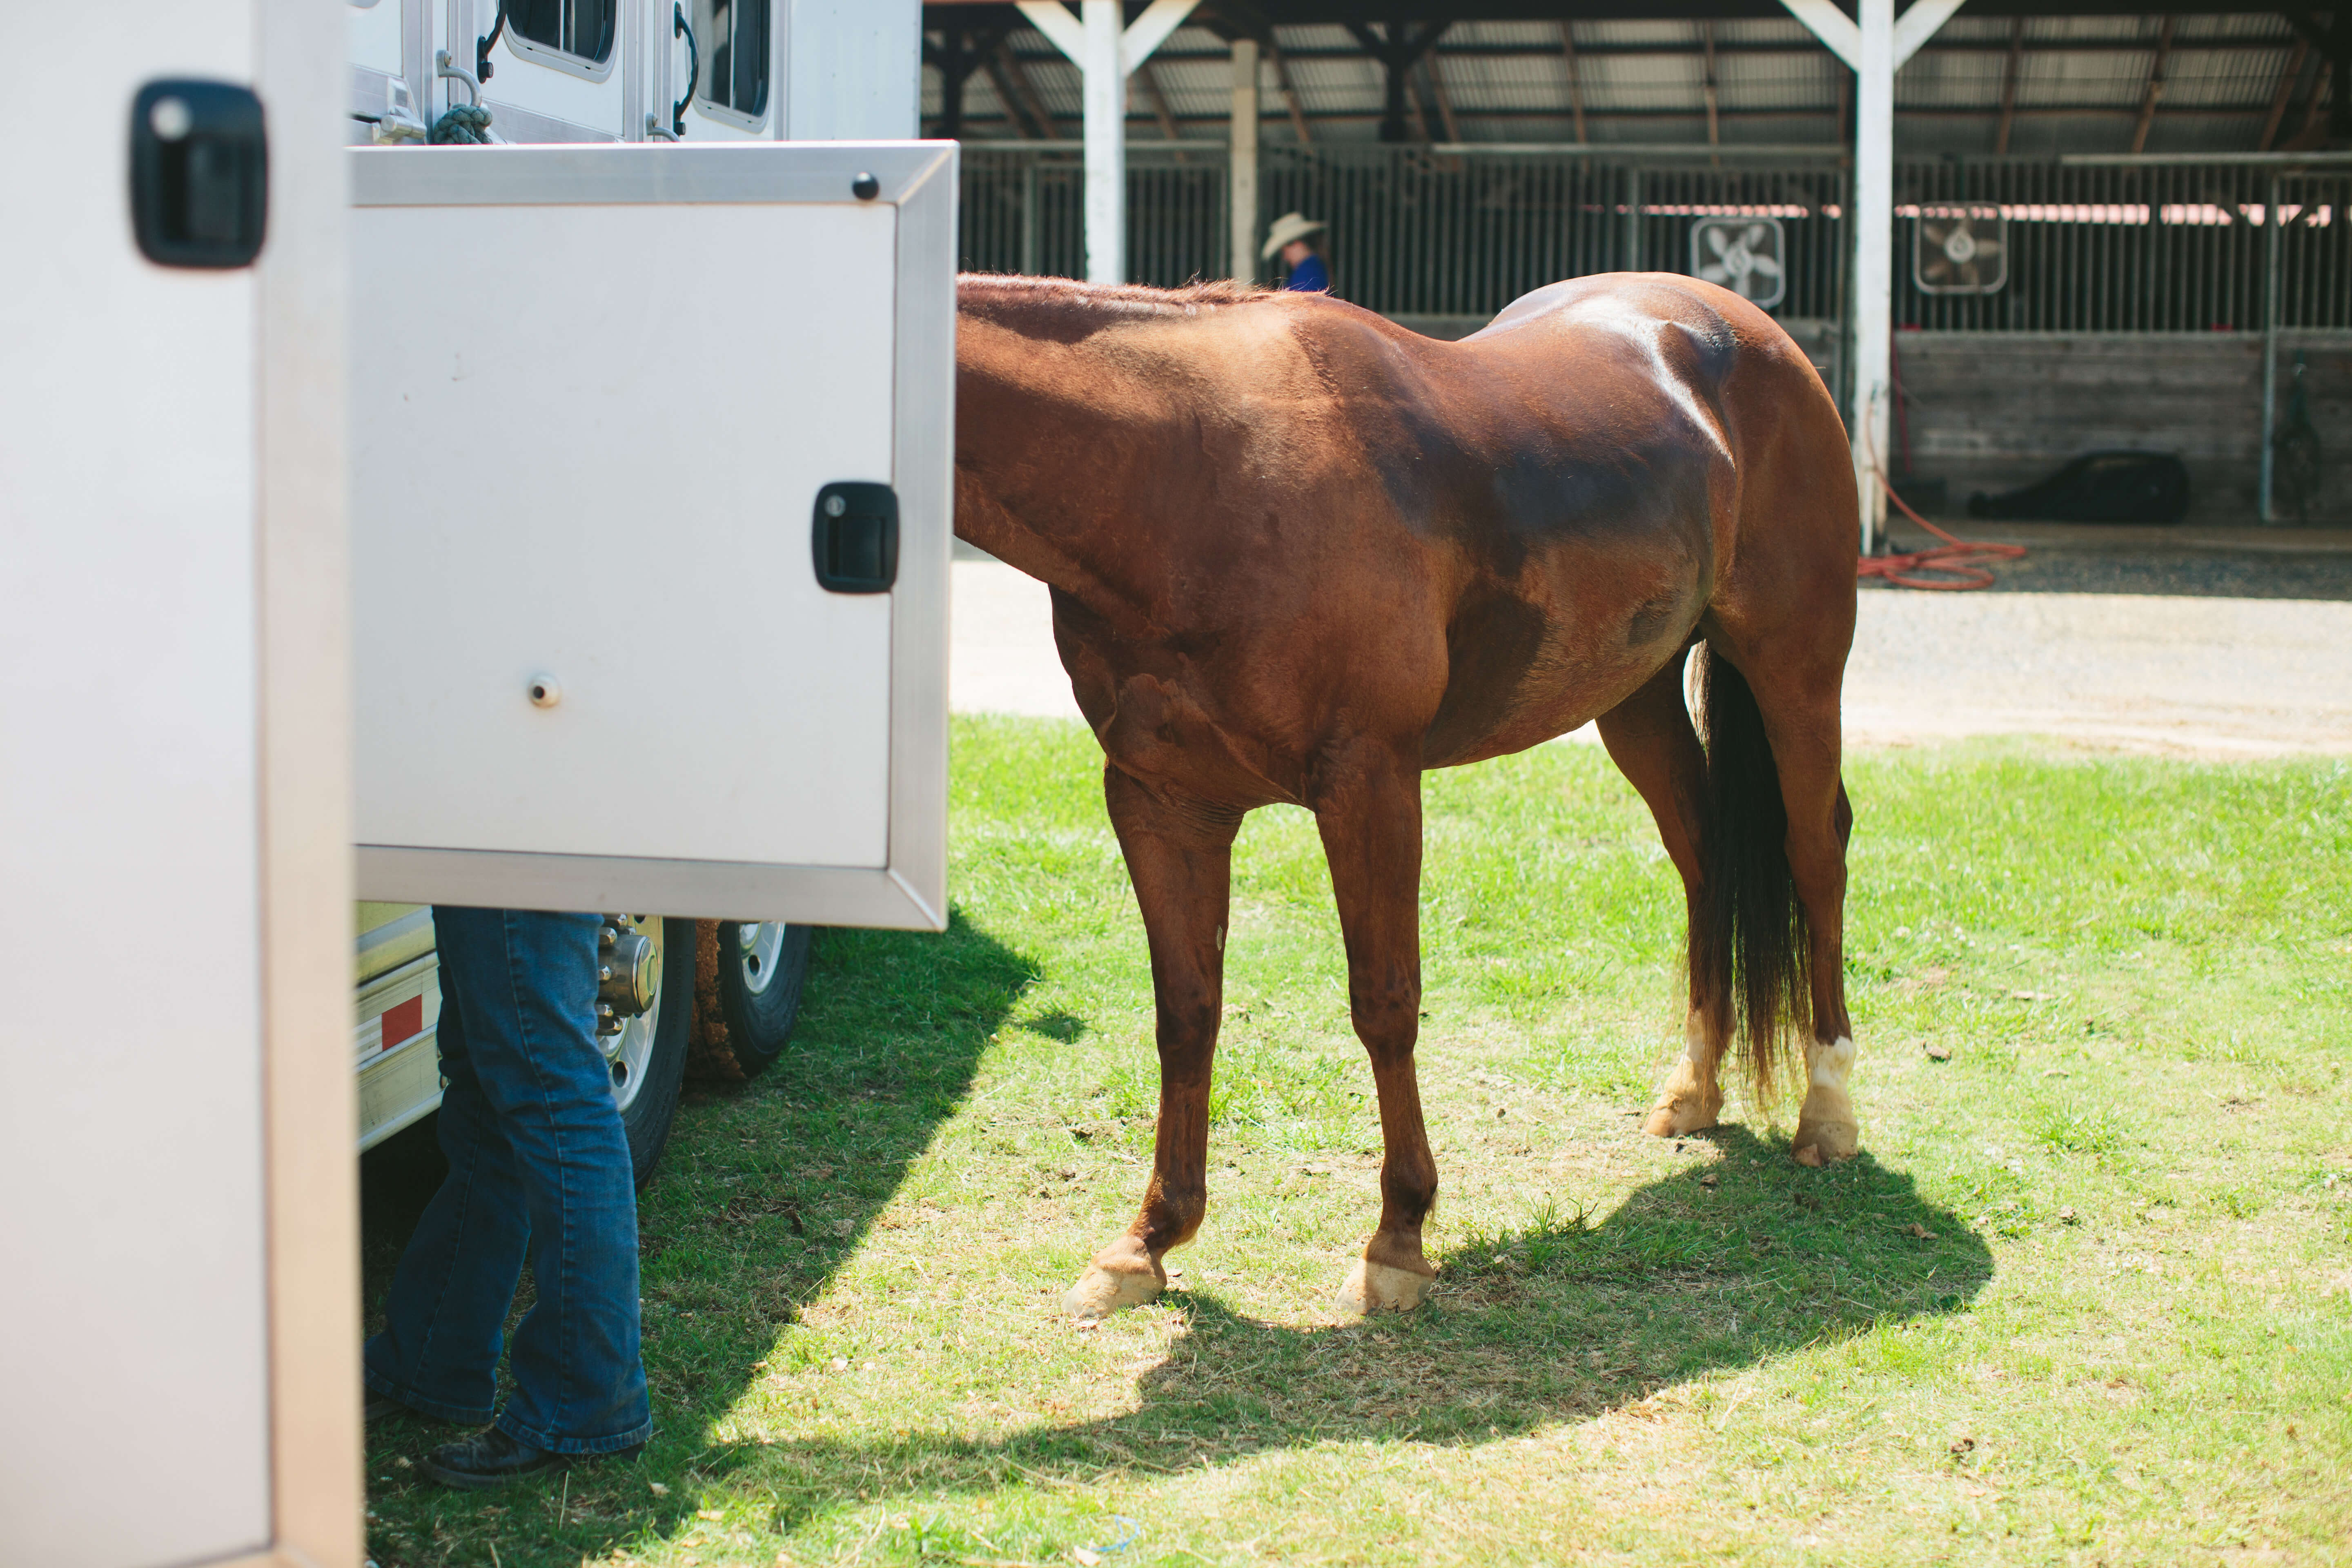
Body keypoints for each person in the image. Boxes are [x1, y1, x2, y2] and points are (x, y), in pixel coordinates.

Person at [362, 908, 653, 1489]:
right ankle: (433, 1360)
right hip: (488, 835)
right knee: (490, 1073)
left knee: (549, 1080)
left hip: (510, 831)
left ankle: (586, 1401)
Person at [1262, 211, 1329, 293]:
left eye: (1284, 252)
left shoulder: (1307, 270)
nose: (1285, 258)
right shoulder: (1317, 265)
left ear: (1296, 243)